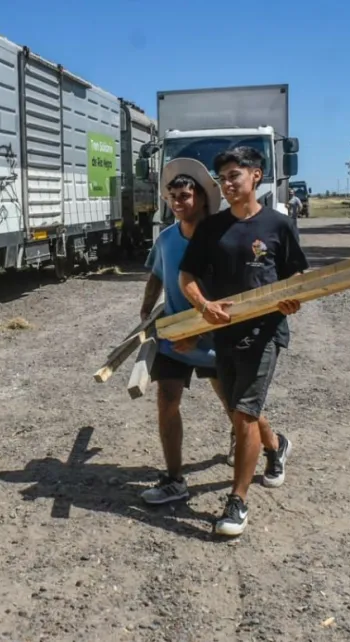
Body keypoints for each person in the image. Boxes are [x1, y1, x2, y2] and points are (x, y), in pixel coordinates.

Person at [177, 146, 309, 538]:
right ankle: (276, 445)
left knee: (244, 414)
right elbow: (188, 278)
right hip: (224, 331)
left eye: (234, 175)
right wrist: (203, 307)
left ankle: (238, 501)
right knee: (237, 407)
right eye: (222, 179)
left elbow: (296, 276)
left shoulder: (278, 225)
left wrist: (292, 298)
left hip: (265, 332)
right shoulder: (212, 228)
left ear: (256, 175)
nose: (227, 184)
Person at [138, 157, 237, 506]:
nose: (178, 203)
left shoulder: (223, 238)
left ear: (201, 197)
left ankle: (271, 444)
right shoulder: (166, 238)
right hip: (173, 334)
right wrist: (145, 312)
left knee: (233, 403)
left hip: (213, 334)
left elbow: (233, 293)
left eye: (184, 196)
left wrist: (199, 332)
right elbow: (156, 275)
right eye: (172, 197)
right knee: (166, 401)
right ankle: (173, 479)